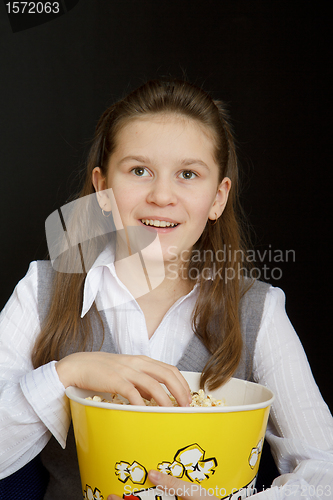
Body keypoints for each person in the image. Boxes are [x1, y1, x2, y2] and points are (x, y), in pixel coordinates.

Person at [0, 79, 332, 500]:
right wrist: (69, 372)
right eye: (139, 171)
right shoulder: (41, 290)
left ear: (217, 198)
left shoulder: (258, 309)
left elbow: (325, 470)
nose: (161, 196)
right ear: (102, 189)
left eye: (188, 174)